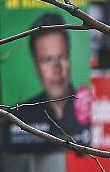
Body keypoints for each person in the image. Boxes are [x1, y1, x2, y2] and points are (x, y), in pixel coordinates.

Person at [11, 13, 90, 145]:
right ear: (36, 65)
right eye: (47, 60)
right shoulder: (20, 116)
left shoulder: (88, 107)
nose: (57, 68)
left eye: (62, 57)